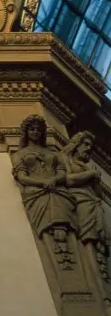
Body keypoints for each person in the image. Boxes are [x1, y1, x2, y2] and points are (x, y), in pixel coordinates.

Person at [11, 114, 77, 266]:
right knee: (46, 225)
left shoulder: (53, 153)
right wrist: (42, 183)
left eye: (38, 129)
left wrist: (54, 180)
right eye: (32, 129)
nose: (35, 132)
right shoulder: (19, 154)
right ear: (26, 132)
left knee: (63, 222)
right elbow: (22, 176)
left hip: (57, 191)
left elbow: (61, 171)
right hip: (36, 193)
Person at [62, 131, 109, 267]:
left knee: (98, 241)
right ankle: (91, 268)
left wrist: (95, 180)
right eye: (86, 144)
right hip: (79, 201)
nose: (88, 148)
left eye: (91, 146)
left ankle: (98, 268)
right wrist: (91, 174)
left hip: (93, 203)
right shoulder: (66, 158)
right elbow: (68, 180)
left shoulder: (88, 167)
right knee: (87, 236)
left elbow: (99, 195)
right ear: (76, 144)